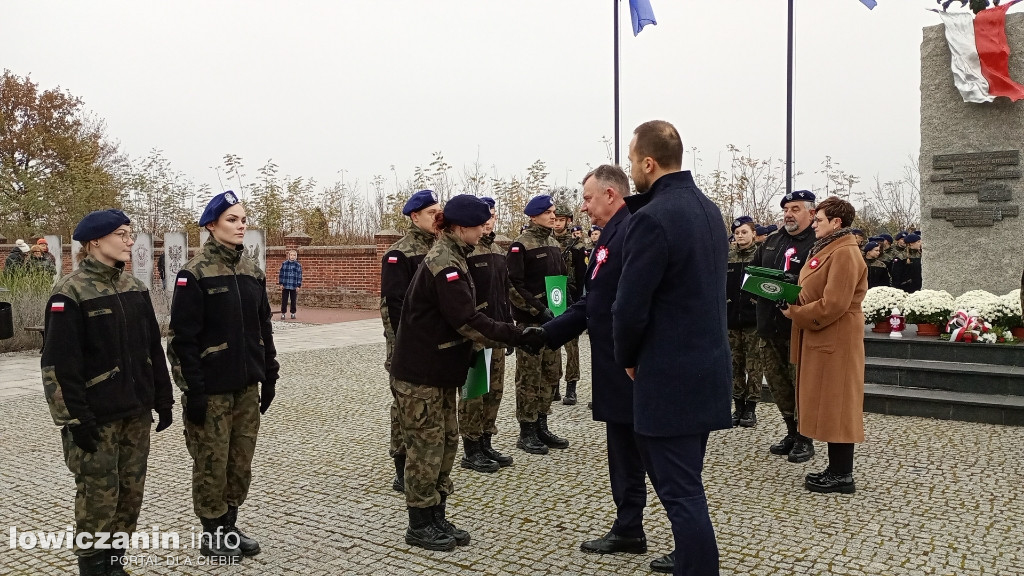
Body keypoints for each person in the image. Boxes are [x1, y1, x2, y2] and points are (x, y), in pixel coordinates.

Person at [389, 194, 544, 551]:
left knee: (445, 444)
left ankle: (437, 513)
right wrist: (519, 335)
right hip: (421, 373)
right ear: (460, 227)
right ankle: (419, 522)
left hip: (441, 371)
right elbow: (466, 320)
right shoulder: (445, 263)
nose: (483, 230)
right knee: (426, 449)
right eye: (478, 225)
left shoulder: (456, 256)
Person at [541, 164, 675, 574]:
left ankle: (685, 536)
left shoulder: (633, 230)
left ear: (611, 195)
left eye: (587, 198)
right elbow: (592, 301)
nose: (583, 208)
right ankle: (628, 527)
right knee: (622, 452)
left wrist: (629, 357)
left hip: (631, 364)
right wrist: (545, 333)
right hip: (613, 363)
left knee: (656, 455)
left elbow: (631, 304)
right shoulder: (609, 235)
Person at [613, 120, 732, 576]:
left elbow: (630, 306)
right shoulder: (709, 209)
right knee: (686, 480)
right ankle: (688, 556)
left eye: (632, 162)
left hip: (669, 375)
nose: (632, 171)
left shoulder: (652, 217)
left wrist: (626, 358)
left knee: (681, 491)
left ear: (648, 162)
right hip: (706, 368)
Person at [40, 209, 174, 576]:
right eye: (122, 234)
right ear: (95, 241)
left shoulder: (135, 289)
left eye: (130, 234)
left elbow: (152, 349)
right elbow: (57, 366)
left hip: (136, 413)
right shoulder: (70, 292)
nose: (130, 241)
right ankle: (92, 569)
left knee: (130, 497)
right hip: (96, 418)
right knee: (99, 501)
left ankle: (115, 566)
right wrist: (75, 420)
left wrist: (163, 398)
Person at [168, 190, 279, 560]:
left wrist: (270, 373)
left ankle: (230, 525)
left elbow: (264, 328)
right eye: (232, 219)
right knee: (211, 462)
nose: (241, 225)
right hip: (212, 390)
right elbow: (182, 339)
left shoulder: (252, 272)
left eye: (244, 219)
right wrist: (193, 390)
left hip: (246, 386)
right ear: (212, 225)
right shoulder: (194, 274)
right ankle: (212, 531)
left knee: (239, 461)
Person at [780, 196, 866, 494]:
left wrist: (795, 312)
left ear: (836, 223)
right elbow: (816, 288)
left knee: (838, 404)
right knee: (830, 404)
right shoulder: (830, 248)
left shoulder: (844, 253)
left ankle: (843, 475)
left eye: (819, 220)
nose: (813, 223)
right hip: (825, 337)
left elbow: (834, 304)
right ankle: (836, 469)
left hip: (836, 338)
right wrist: (792, 291)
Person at [749, 190, 818, 464]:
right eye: (786, 209)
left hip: (797, 327)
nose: (789, 214)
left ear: (812, 213)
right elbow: (753, 269)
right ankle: (791, 431)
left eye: (796, 209)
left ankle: (805, 437)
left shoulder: (818, 242)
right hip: (768, 325)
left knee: (800, 383)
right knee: (778, 384)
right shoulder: (773, 240)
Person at [380, 190, 440, 491]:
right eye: (431, 212)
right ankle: (401, 463)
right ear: (415, 216)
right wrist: (406, 345)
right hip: (407, 344)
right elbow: (395, 305)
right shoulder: (399, 254)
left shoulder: (441, 249)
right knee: (404, 406)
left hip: (434, 344)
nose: (437, 217)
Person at [507, 194, 569, 454]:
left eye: (554, 212)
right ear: (533, 216)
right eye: (547, 212)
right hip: (530, 323)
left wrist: (564, 310)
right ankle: (527, 430)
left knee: (550, 374)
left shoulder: (554, 243)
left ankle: (542, 424)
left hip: (553, 323)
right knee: (529, 377)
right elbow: (513, 286)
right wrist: (540, 310)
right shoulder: (520, 246)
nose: (553, 216)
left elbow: (562, 280)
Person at [458, 197, 516, 473]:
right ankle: (471, 448)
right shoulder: (467, 252)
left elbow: (504, 293)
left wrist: (508, 326)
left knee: (495, 390)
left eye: (493, 216)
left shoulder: (497, 251)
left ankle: (486, 440)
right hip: (476, 334)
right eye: (485, 217)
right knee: (474, 392)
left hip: (497, 331)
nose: (489, 221)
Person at [727, 217, 763, 428]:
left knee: (754, 364)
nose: (740, 236)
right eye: (737, 233)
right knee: (735, 364)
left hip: (753, 320)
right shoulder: (728, 257)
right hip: (731, 318)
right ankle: (738, 405)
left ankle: (751, 407)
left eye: (744, 232)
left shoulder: (759, 256)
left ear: (753, 234)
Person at [552, 202, 587, 405]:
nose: (557, 223)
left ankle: (571, 385)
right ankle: (553, 384)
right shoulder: (547, 242)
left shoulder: (578, 247)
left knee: (571, 346)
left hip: (570, 295)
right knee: (552, 342)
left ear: (569, 221)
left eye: (561, 220)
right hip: (551, 293)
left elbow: (582, 277)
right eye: (555, 219)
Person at [278, 249, 303, 320]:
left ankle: (293, 313)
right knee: (284, 300)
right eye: (291, 255)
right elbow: (281, 274)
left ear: (296, 257)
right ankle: (283, 313)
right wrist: (281, 283)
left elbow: (299, 276)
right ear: (289, 256)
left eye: (294, 255)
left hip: (293, 285)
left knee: (293, 300)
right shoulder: (284, 264)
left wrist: (298, 285)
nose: (292, 256)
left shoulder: (298, 265)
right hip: (285, 285)